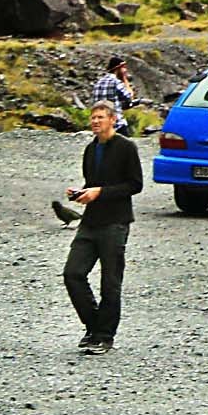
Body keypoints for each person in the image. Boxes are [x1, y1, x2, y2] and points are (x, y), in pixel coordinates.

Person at [62, 100, 142, 353]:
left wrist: (100, 192)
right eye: (93, 117)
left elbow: (134, 185)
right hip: (91, 222)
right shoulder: (90, 149)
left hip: (115, 223)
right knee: (72, 273)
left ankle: (105, 336)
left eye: (100, 117)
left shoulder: (126, 148)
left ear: (113, 120)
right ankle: (93, 325)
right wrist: (81, 193)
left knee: (110, 282)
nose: (95, 121)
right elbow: (93, 182)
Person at [91, 58, 134, 129]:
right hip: (116, 125)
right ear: (118, 68)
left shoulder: (98, 83)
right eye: (123, 68)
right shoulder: (116, 82)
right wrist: (124, 79)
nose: (125, 70)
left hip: (101, 126)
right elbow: (129, 98)